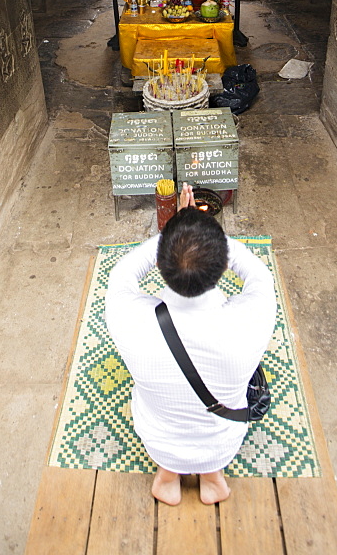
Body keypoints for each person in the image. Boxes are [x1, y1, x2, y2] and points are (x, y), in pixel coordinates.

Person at [105, 183, 276, 505]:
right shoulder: (253, 317)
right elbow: (258, 274)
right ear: (224, 266)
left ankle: (167, 478)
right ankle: (213, 480)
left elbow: (124, 270)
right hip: (224, 441)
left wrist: (176, 231)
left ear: (160, 264)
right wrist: (205, 235)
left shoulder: (127, 316)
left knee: (167, 432)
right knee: (212, 445)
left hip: (158, 439)